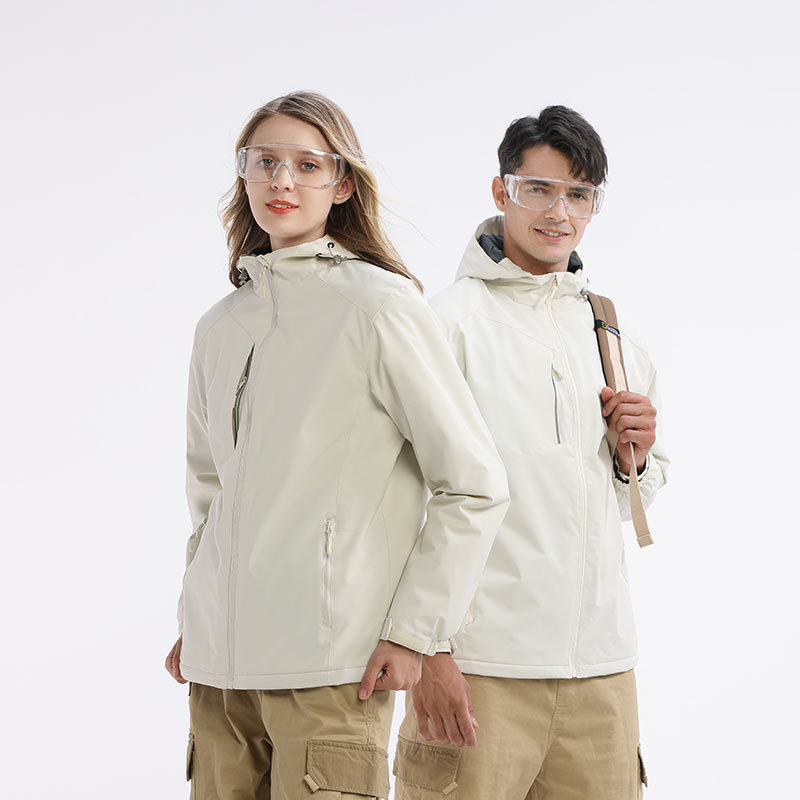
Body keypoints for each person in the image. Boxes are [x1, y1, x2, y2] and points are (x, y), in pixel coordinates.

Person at [163, 90, 509, 800]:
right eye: (265, 161)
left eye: (307, 164)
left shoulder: (379, 306)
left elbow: (473, 483)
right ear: (244, 173)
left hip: (331, 670)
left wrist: (414, 632)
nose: (282, 181)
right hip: (220, 675)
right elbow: (210, 493)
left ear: (343, 182)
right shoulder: (220, 325)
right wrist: (201, 615)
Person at [393, 106, 669, 799]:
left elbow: (632, 495)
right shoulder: (445, 325)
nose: (559, 212)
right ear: (501, 191)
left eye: (579, 195)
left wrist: (634, 458)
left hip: (602, 671)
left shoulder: (610, 330)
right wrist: (430, 649)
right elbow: (397, 498)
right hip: (479, 668)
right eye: (538, 189)